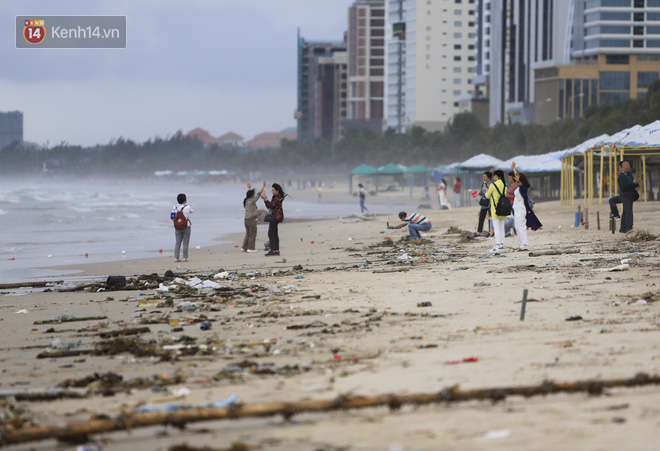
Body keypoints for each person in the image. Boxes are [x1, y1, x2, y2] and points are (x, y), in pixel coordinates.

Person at [511, 162, 542, 250]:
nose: (516, 179)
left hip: (521, 209)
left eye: (518, 179)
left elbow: (520, 183)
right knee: (517, 226)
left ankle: (524, 244)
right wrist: (514, 169)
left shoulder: (524, 188)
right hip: (517, 209)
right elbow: (517, 176)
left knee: (520, 226)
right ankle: (520, 243)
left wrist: (518, 180)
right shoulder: (519, 187)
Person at [484, 170, 507, 252]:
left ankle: (497, 245)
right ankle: (501, 244)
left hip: (495, 209)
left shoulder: (493, 185)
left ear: (497, 176)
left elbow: (487, 196)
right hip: (503, 209)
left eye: (494, 176)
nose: (493, 178)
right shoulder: (505, 185)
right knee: (501, 228)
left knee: (496, 228)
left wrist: (487, 189)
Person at [262, 183, 286, 256]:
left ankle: (273, 250)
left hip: (276, 217)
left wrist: (266, 199)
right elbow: (270, 206)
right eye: (272, 190)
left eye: (273, 190)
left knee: (271, 233)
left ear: (277, 190)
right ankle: (276, 250)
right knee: (274, 234)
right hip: (276, 216)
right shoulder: (276, 196)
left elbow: (271, 206)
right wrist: (265, 200)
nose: (272, 192)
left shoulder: (277, 197)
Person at [242, 180, 266, 252]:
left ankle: (244, 247)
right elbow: (258, 195)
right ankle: (251, 248)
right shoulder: (252, 201)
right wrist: (263, 186)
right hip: (251, 220)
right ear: (252, 196)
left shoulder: (246, 201)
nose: (254, 195)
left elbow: (248, 195)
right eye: (253, 194)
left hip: (246, 220)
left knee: (248, 234)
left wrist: (249, 188)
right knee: (252, 234)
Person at [616, 160, 640, 234]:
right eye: (626, 166)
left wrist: (635, 183)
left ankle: (622, 228)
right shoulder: (621, 176)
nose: (628, 167)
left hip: (630, 195)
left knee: (626, 211)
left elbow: (632, 185)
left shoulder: (629, 174)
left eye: (628, 165)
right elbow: (623, 187)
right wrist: (632, 183)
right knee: (628, 211)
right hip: (624, 195)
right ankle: (628, 227)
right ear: (622, 167)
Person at [170, 193, 193, 262]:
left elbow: (172, 217)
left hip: (177, 226)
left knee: (178, 242)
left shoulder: (174, 207)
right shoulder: (187, 207)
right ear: (185, 200)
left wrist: (177, 221)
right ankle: (185, 258)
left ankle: (176, 258)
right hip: (186, 226)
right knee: (185, 242)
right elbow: (192, 212)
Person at [476, 171, 492, 235]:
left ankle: (490, 231)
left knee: (490, 218)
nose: (483, 178)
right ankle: (479, 231)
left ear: (489, 178)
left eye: (485, 177)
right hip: (484, 204)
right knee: (481, 217)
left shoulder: (492, 185)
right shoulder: (483, 184)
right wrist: (477, 193)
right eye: (483, 177)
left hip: (490, 204)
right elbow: (482, 193)